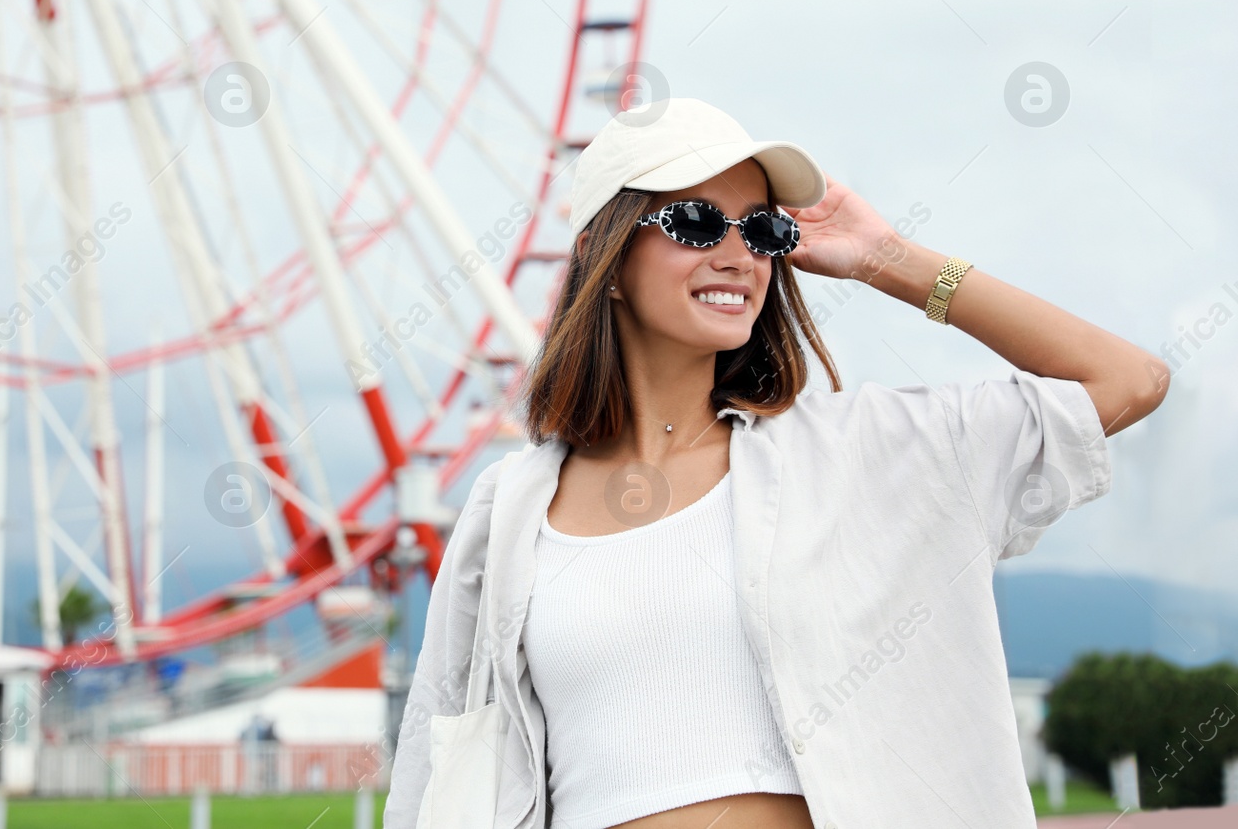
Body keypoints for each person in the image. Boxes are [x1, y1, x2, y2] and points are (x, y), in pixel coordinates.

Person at [383, 98, 1169, 829]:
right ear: (603, 255)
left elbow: (1128, 381)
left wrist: (887, 258)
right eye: (695, 223)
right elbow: (437, 755)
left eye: (761, 232)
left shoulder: (868, 450)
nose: (737, 255)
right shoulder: (510, 507)